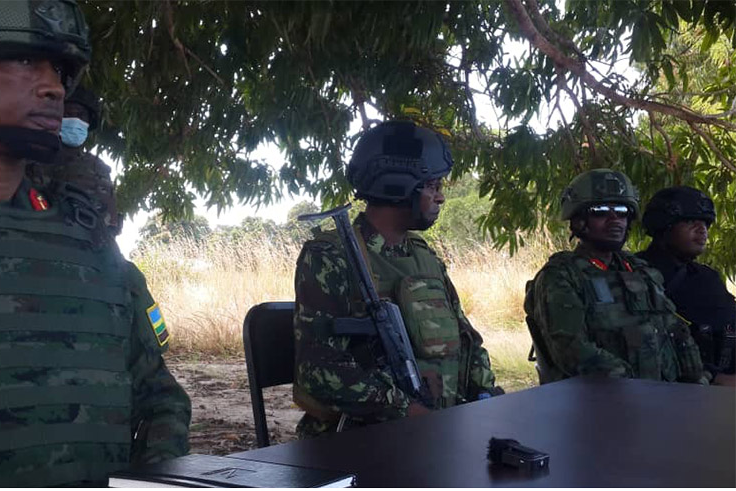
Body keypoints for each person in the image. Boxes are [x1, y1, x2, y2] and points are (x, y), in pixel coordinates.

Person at [0, 1, 190, 486]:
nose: (53, 87)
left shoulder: (84, 228)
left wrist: (156, 478)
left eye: (58, 69)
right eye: (24, 62)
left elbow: (160, 397)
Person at [292, 120, 503, 438]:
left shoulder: (422, 255)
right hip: (361, 442)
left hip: (436, 433)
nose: (441, 197)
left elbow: (465, 340)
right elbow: (319, 372)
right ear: (398, 185)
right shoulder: (330, 256)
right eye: (433, 186)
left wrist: (487, 397)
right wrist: (407, 411)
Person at [524, 169, 708, 385]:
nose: (615, 220)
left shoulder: (639, 270)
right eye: (600, 211)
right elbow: (572, 352)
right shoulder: (560, 277)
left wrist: (697, 382)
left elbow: (675, 331)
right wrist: (636, 388)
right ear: (579, 220)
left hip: (659, 399)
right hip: (601, 403)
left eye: (622, 211)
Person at [637, 186, 735, 386]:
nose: (702, 230)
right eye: (691, 221)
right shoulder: (631, 275)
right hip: (669, 391)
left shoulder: (708, 277)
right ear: (663, 225)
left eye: (706, 223)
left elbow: (729, 328)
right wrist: (715, 378)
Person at [26, 85, 122, 236]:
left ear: (89, 122)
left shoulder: (99, 169)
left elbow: (111, 224)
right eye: (68, 114)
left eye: (81, 115)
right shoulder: (31, 161)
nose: (75, 120)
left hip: (91, 251)